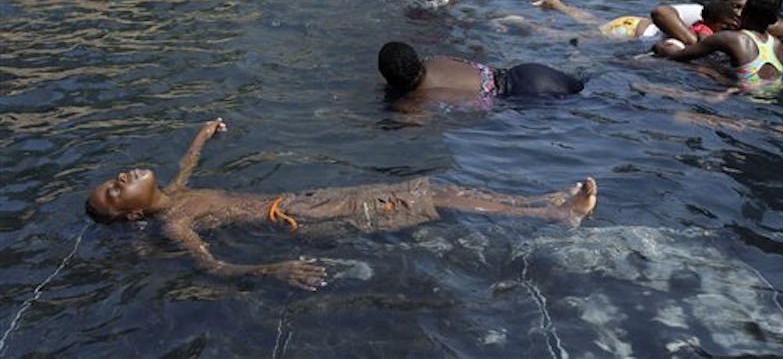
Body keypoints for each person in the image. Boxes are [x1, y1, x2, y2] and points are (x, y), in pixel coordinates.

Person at [86, 118, 598, 291]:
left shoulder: (175, 193)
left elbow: (188, 164)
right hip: (303, 217)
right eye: (114, 191)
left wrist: (203, 134)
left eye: (111, 179)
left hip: (308, 202)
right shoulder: (175, 222)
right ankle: (555, 214)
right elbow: (214, 267)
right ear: (132, 213)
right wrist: (273, 268)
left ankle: (539, 201)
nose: (119, 178)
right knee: (431, 196)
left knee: (431, 189)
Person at [378, 42, 584, 112]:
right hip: (527, 71)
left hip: (523, 95)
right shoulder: (433, 59)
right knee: (586, 92)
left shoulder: (418, 97)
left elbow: (419, 121)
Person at [652, 0, 783, 92]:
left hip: (743, 93)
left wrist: (664, 48)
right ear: (774, 19)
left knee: (698, 69)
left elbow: (678, 56)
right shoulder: (777, 44)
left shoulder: (730, 38)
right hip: (772, 91)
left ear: (744, 11)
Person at [532, 0, 749, 41]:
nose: (737, 12)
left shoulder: (733, 26)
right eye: (734, 6)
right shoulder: (699, 12)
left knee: (590, 21)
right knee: (566, 37)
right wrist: (693, 42)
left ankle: (555, 3)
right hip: (630, 31)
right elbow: (660, 12)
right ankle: (521, 23)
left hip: (631, 26)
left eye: (742, 8)